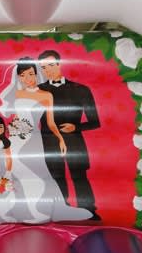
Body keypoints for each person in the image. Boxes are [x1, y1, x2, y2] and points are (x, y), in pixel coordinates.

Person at [0, 57, 92, 223]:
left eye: (31, 74)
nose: (28, 79)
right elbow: (16, 117)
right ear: (18, 77)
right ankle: (17, 209)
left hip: (34, 140)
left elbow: (51, 123)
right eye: (23, 75)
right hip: (16, 138)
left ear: (36, 74)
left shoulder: (46, 95)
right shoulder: (17, 94)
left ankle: (37, 210)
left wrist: (60, 139)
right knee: (15, 172)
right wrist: (12, 131)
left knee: (36, 174)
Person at [38, 50, 101, 220]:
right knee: (55, 177)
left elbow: (95, 122)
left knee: (80, 176)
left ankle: (89, 211)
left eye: (51, 65)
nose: (48, 70)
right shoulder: (38, 91)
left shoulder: (81, 89)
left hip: (75, 141)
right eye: (44, 67)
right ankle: (61, 209)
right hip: (48, 141)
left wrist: (76, 127)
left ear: (60, 64)